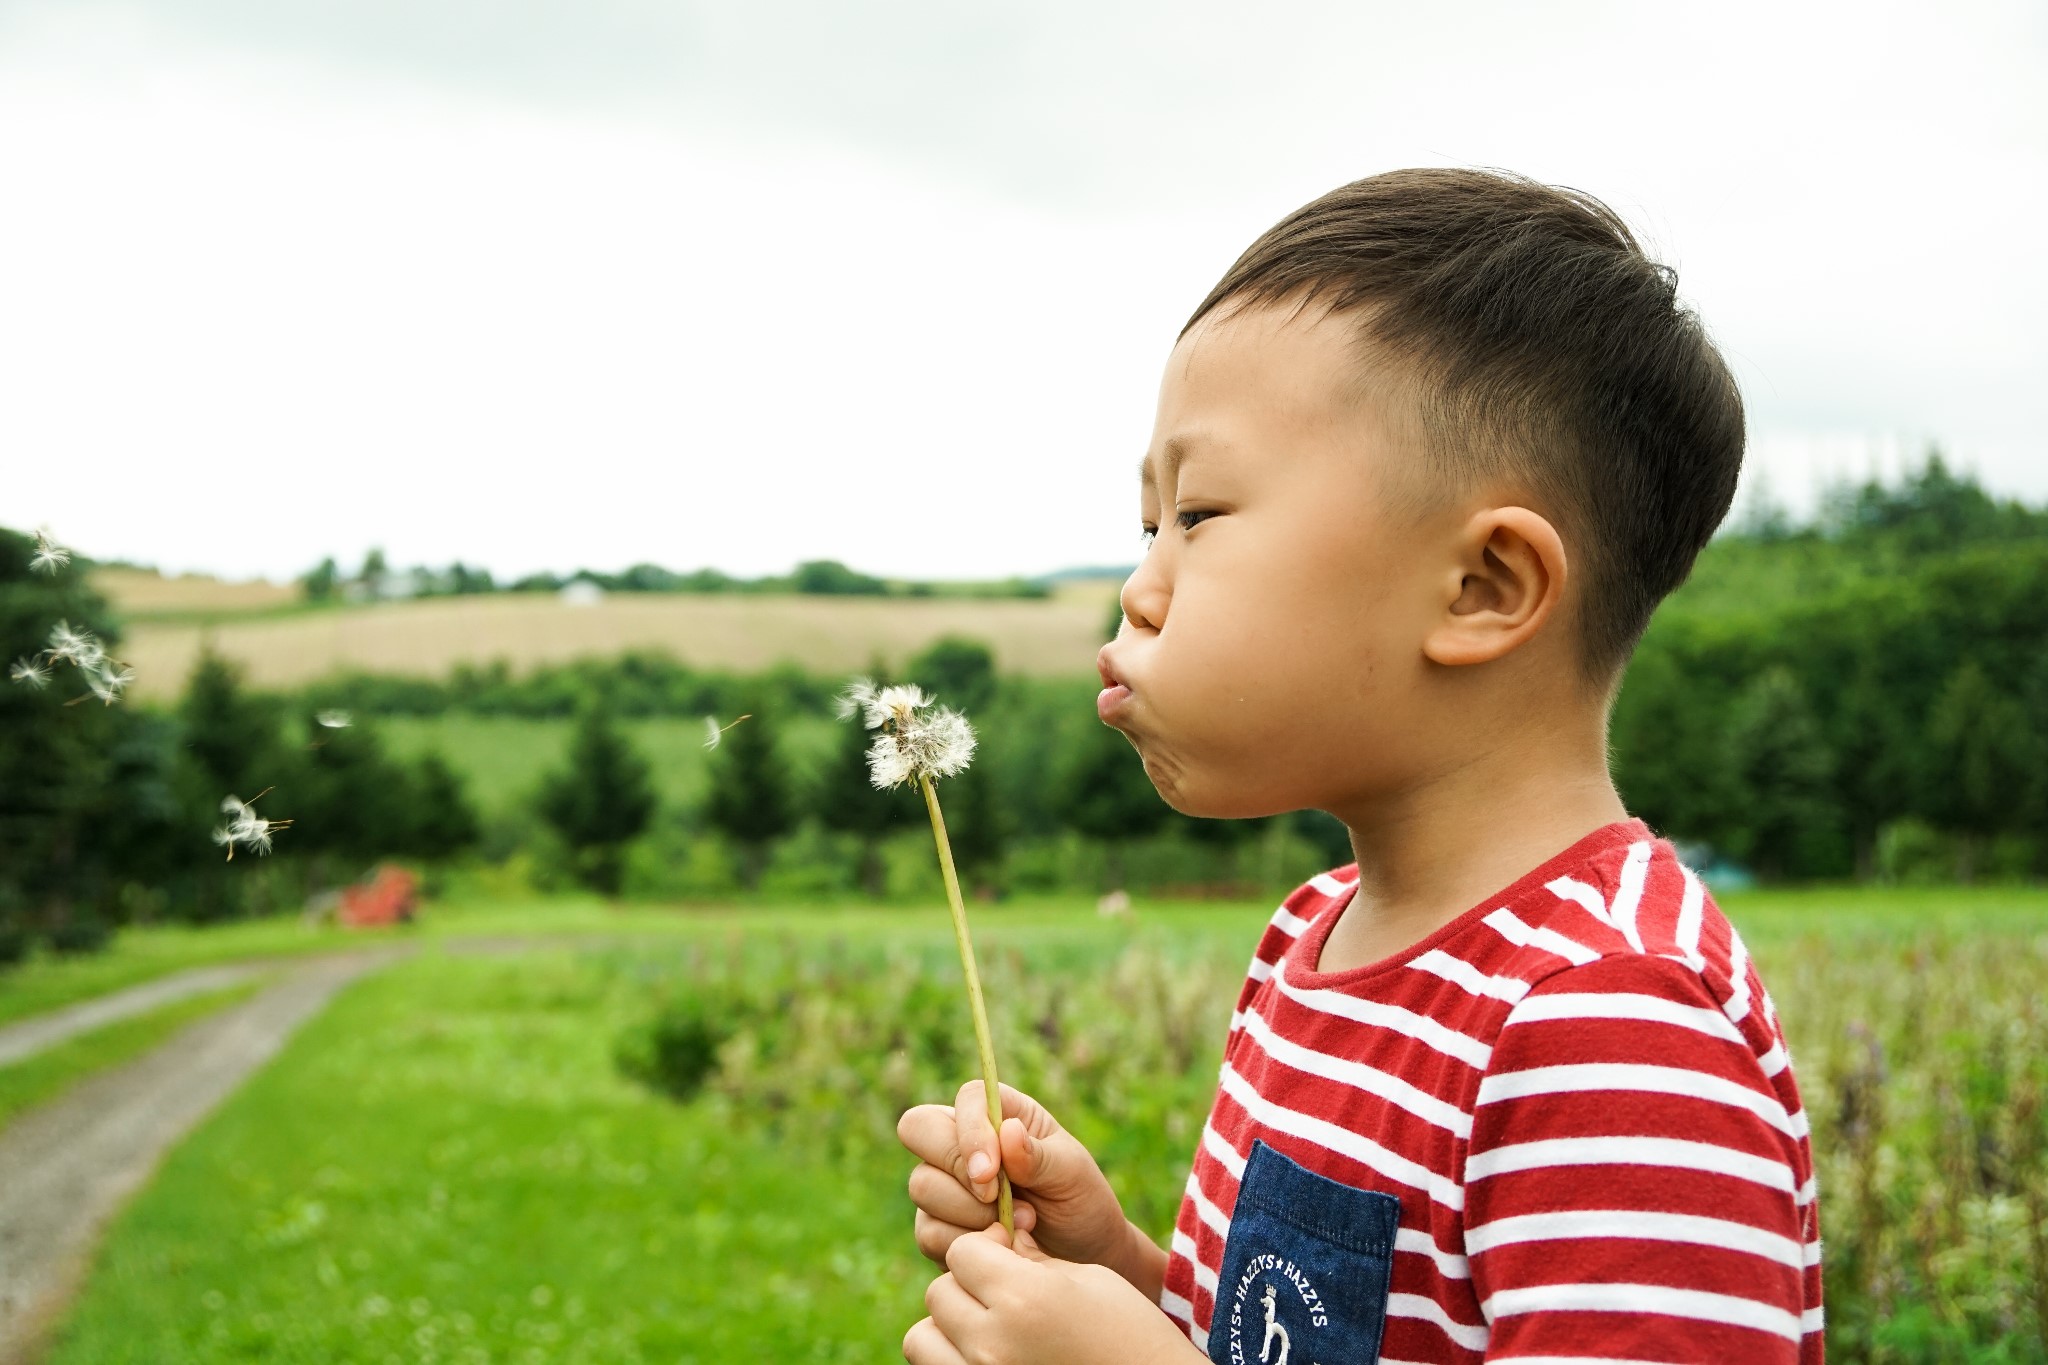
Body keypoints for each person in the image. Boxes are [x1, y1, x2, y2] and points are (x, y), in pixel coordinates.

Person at [896, 168, 1822, 1365]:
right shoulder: (1310, 940)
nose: (1140, 585)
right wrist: (1114, 1271)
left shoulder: (1606, 1022)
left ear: (1481, 588)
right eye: (1147, 524)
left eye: (1201, 515)